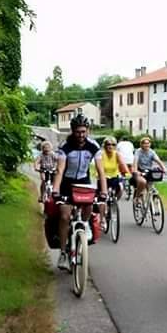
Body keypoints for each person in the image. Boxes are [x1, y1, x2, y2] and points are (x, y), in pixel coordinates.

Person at [51, 114, 108, 270]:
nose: (81, 135)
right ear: (72, 131)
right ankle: (63, 253)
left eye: (83, 131)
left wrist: (103, 192)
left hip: (83, 182)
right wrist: (55, 191)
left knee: (89, 204)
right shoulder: (65, 147)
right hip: (66, 184)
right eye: (78, 132)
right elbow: (60, 170)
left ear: (88, 130)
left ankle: (84, 224)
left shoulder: (94, 146)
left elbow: (101, 172)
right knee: (64, 216)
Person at [98, 136, 129, 229]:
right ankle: (102, 219)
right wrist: (101, 175)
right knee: (102, 199)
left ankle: (114, 203)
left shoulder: (117, 154)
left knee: (121, 188)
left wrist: (127, 173)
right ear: (104, 146)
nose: (110, 146)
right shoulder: (100, 154)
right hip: (103, 177)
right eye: (108, 144)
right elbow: (98, 167)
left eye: (113, 144)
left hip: (114, 176)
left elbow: (122, 164)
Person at [132, 137, 167, 207]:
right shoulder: (138, 152)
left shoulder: (152, 152)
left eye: (148, 143)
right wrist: (135, 171)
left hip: (148, 171)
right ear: (141, 144)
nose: (146, 145)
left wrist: (164, 168)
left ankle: (152, 204)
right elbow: (135, 161)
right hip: (140, 171)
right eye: (144, 143)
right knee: (143, 182)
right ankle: (137, 197)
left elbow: (158, 160)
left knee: (150, 187)